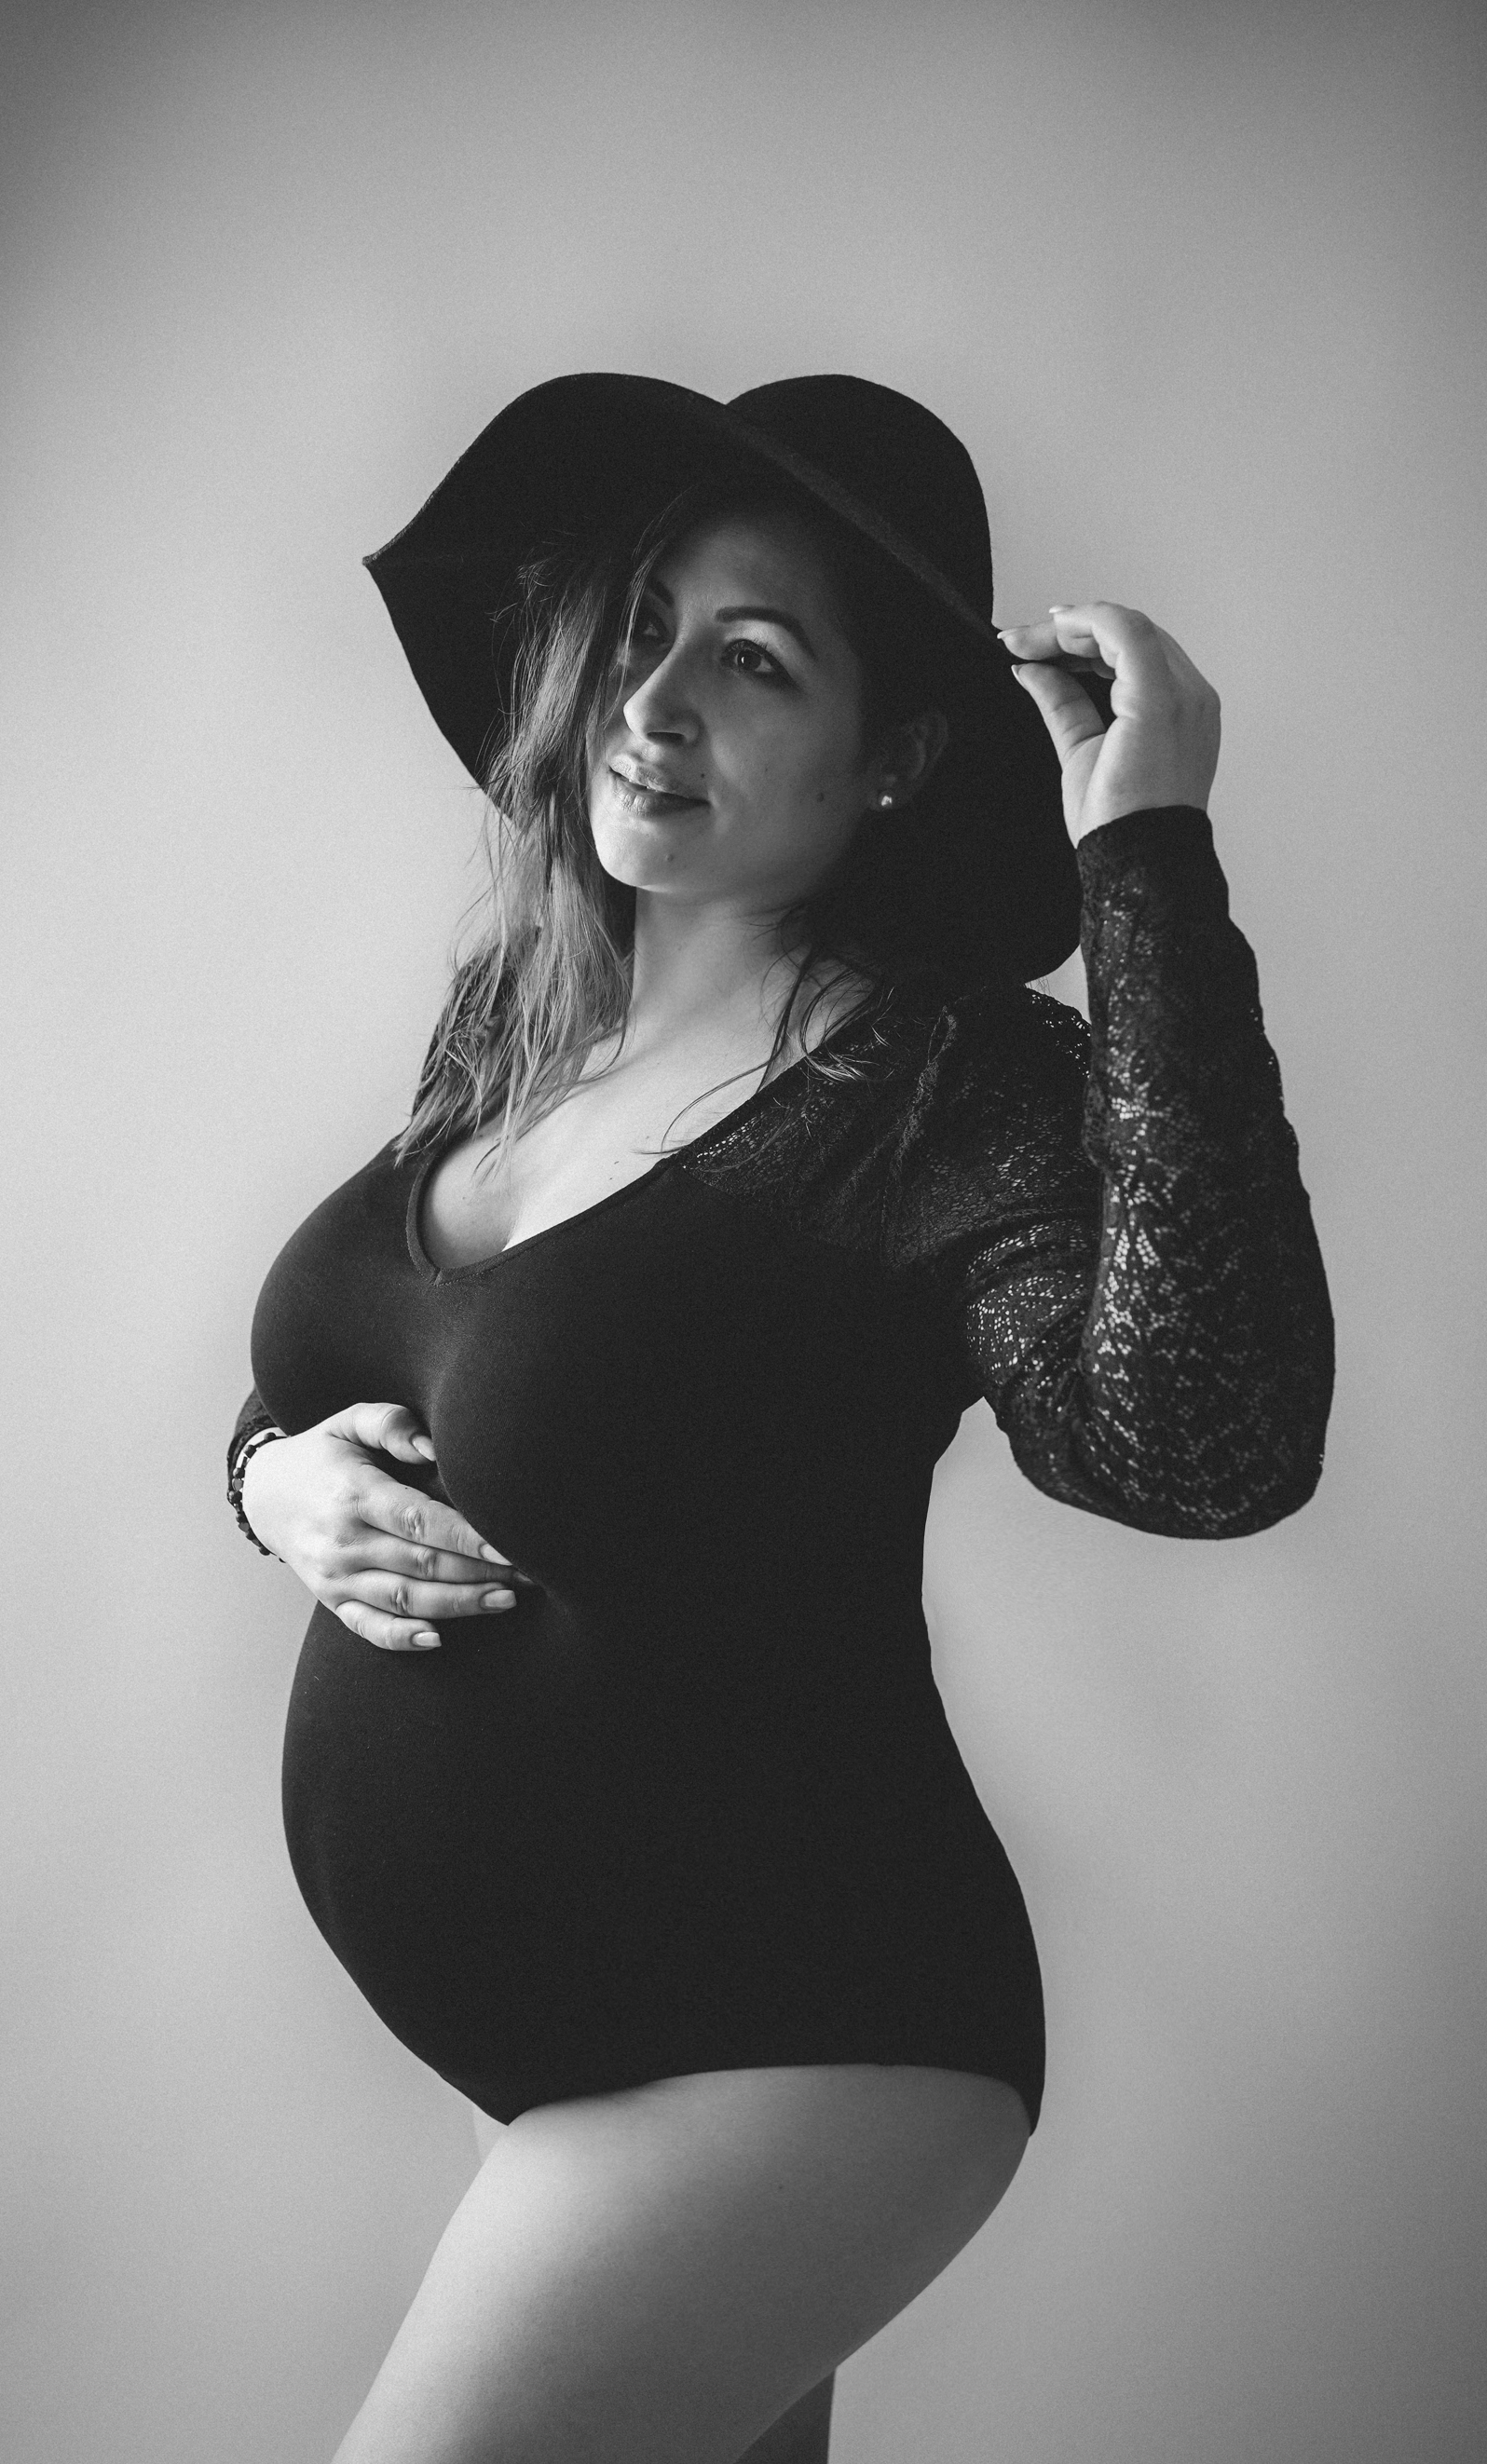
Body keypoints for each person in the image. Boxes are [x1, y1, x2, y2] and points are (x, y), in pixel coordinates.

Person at [225, 374, 1333, 2464]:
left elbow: (1203, 1436)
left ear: (893, 754)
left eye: (751, 661)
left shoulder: (940, 1095)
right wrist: (271, 1482)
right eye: (641, 628)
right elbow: (351, 1384)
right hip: (576, 2044)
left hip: (802, 2029)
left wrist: (1143, 855)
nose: (651, 705)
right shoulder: (519, 1024)